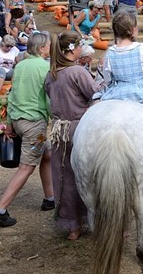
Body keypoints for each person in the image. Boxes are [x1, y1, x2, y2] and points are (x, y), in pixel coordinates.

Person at [0, 33, 55, 227]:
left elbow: (12, 94)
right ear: (42, 48)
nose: (50, 48)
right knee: (26, 167)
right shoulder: (45, 68)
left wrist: (9, 122)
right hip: (34, 124)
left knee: (47, 153)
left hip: (18, 120)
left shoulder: (21, 66)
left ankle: (50, 198)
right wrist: (55, 118)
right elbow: (49, 97)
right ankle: (0, 209)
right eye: (49, 46)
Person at [45, 30, 100, 240]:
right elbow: (94, 93)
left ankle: (72, 226)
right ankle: (91, 218)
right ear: (72, 49)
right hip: (80, 128)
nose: (81, 49)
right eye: (79, 46)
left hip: (59, 130)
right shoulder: (77, 72)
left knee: (64, 176)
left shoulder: (51, 74)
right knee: (86, 176)